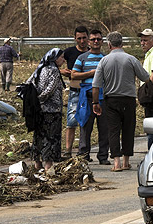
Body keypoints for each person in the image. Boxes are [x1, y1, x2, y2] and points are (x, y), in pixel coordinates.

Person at [92, 32, 150, 172]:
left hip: (111, 100)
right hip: (128, 100)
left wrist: (95, 103)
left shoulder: (104, 61)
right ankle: (126, 161)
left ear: (109, 44)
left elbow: (96, 85)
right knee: (128, 129)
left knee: (113, 130)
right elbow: (145, 77)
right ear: (122, 44)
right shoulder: (131, 59)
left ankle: (116, 163)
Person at [71, 29, 107, 164]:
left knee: (104, 128)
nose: (96, 42)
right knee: (85, 126)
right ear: (89, 42)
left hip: (103, 97)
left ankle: (103, 157)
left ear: (102, 41)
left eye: (98, 39)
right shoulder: (82, 58)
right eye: (93, 39)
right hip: (87, 97)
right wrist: (91, 73)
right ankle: (83, 156)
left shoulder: (105, 58)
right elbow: (74, 75)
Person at [26, 48, 66, 172]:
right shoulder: (54, 70)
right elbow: (51, 89)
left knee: (39, 135)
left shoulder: (40, 68)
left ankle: (37, 163)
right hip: (52, 110)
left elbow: (28, 83)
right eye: (61, 57)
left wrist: (35, 101)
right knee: (51, 136)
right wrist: (41, 98)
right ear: (54, 58)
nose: (63, 60)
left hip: (39, 110)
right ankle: (48, 164)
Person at [60, 26, 90, 159]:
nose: (82, 41)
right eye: (79, 38)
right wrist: (62, 71)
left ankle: (84, 152)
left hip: (89, 91)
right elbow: (54, 63)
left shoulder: (92, 52)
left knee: (86, 123)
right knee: (71, 122)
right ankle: (68, 151)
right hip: (74, 91)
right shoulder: (69, 52)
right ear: (75, 39)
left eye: (84, 38)